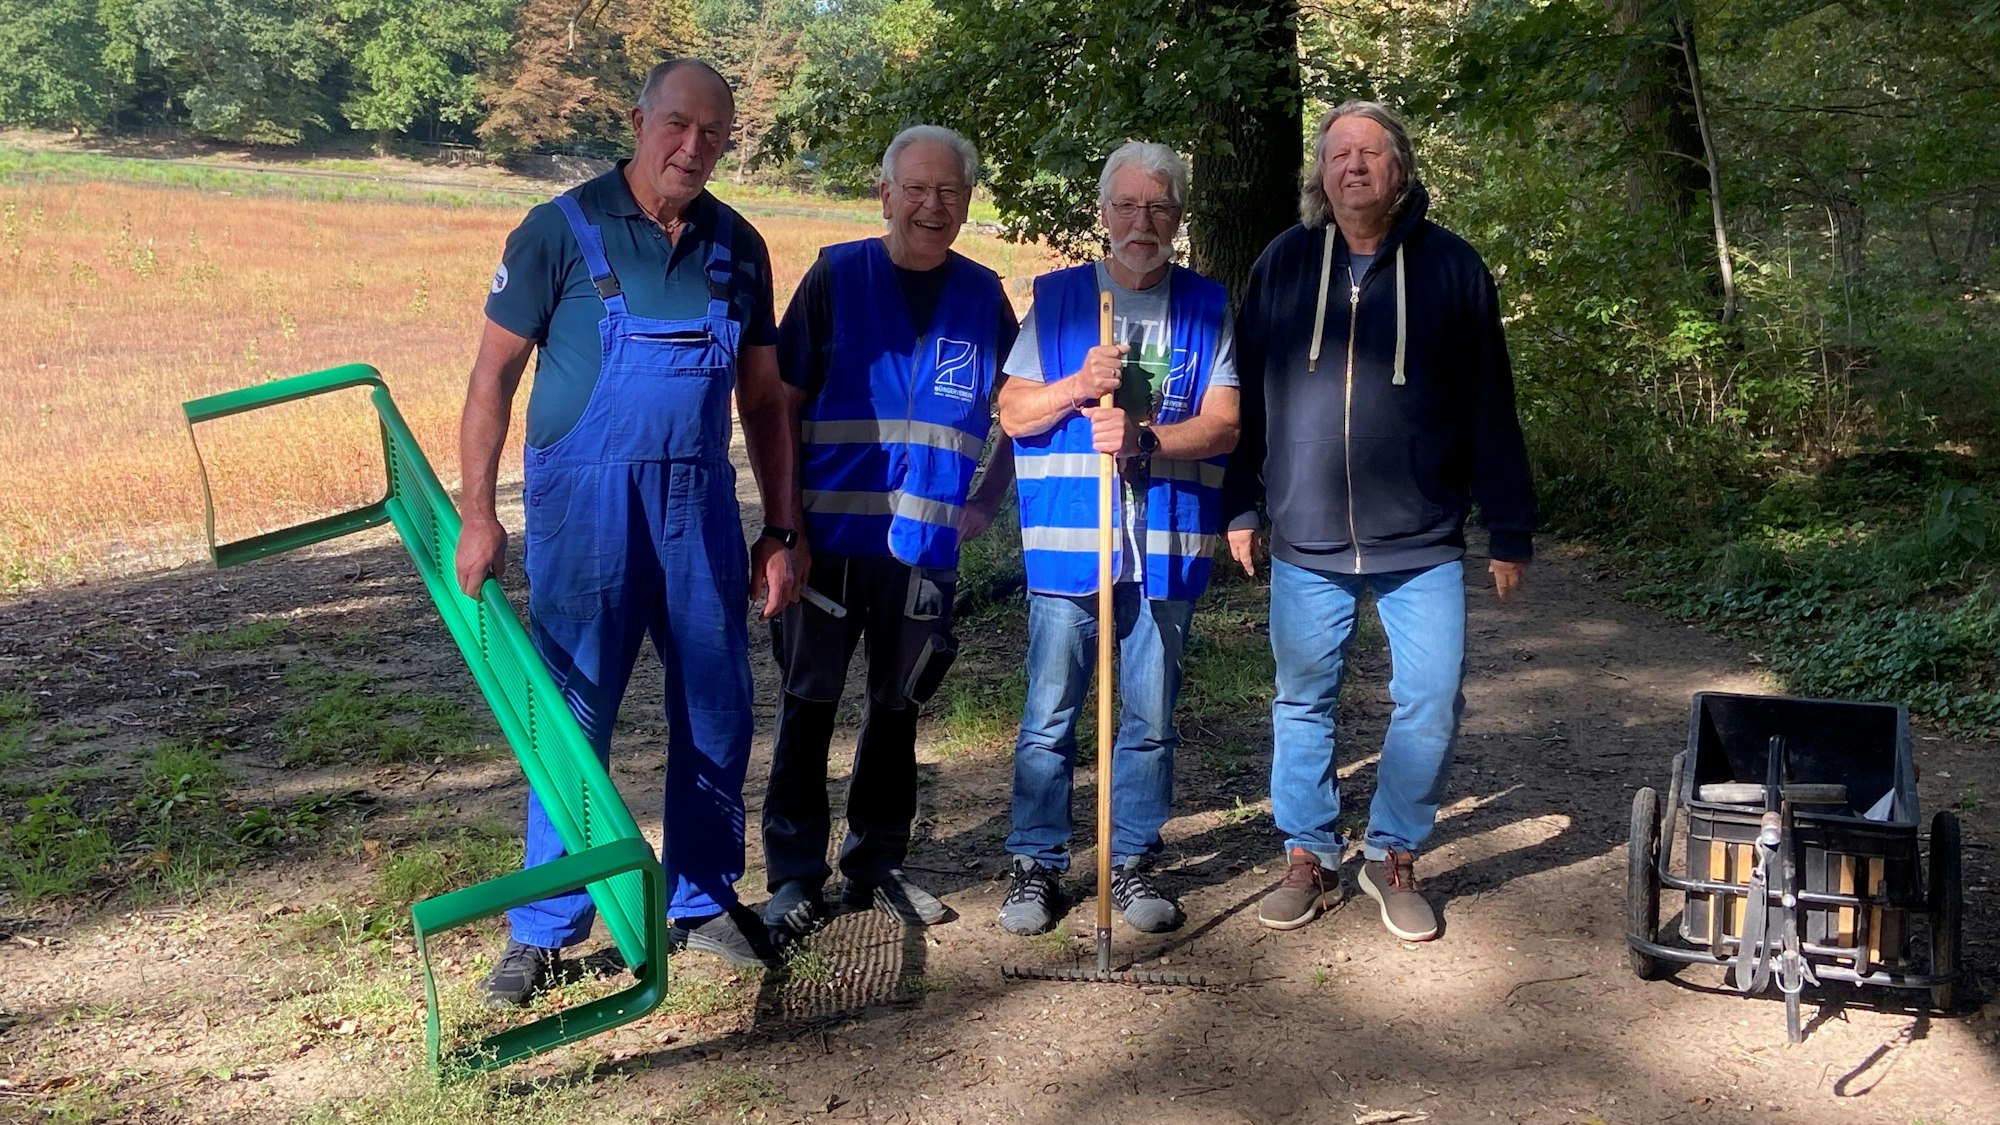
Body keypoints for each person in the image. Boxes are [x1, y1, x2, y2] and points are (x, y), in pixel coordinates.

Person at [453, 58, 800, 1005]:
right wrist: (479, 513)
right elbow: (492, 380)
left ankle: (701, 897)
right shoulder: (556, 232)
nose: (694, 148)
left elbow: (764, 405)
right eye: (677, 125)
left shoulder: (740, 247)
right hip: (583, 514)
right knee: (570, 713)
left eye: (715, 135)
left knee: (718, 705)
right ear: (639, 118)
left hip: (696, 510)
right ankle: (545, 926)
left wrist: (781, 529)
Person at [1222, 100, 1537, 943]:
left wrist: (1509, 526)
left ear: (1400, 168)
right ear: (1319, 175)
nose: (1352, 165)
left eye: (1369, 152)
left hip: (1423, 538)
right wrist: (1241, 501)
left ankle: (1393, 852)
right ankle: (1308, 852)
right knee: (1302, 700)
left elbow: (1489, 407)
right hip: (1307, 537)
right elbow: (1245, 397)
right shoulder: (1284, 265)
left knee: (1430, 699)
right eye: (1337, 154)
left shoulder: (1453, 268)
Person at [760, 125, 1018, 938]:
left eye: (949, 191)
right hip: (827, 546)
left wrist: (989, 498)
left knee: (896, 709)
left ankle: (875, 864)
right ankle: (794, 875)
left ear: (968, 201)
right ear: (885, 192)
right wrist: (783, 527)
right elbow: (780, 405)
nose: (932, 205)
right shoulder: (837, 276)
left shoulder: (983, 295)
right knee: (808, 705)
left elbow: (1019, 408)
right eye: (916, 188)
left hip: (923, 552)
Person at [994, 141, 1240, 936]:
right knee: (1050, 713)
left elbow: (1226, 423)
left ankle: (1131, 861)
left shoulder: (1205, 305)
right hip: (1071, 546)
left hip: (1164, 545)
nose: (1144, 221)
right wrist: (1076, 385)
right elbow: (1013, 412)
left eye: (1160, 207)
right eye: (1128, 205)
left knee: (1150, 716)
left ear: (1178, 217)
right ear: (1103, 213)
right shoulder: (1062, 301)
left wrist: (1143, 442)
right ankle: (1036, 862)